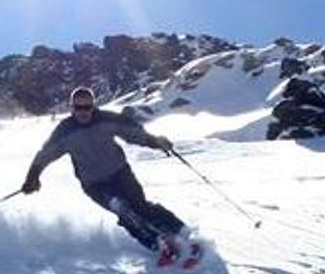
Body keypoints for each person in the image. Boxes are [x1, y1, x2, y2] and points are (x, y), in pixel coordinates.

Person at [20, 86, 196, 263]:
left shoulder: (106, 119)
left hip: (120, 172)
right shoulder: (65, 131)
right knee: (122, 209)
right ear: (72, 108)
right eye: (78, 108)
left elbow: (133, 133)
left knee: (140, 206)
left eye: (87, 107)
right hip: (94, 184)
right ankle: (157, 243)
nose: (83, 112)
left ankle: (182, 231)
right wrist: (32, 178)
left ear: (93, 106)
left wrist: (155, 142)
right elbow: (45, 154)